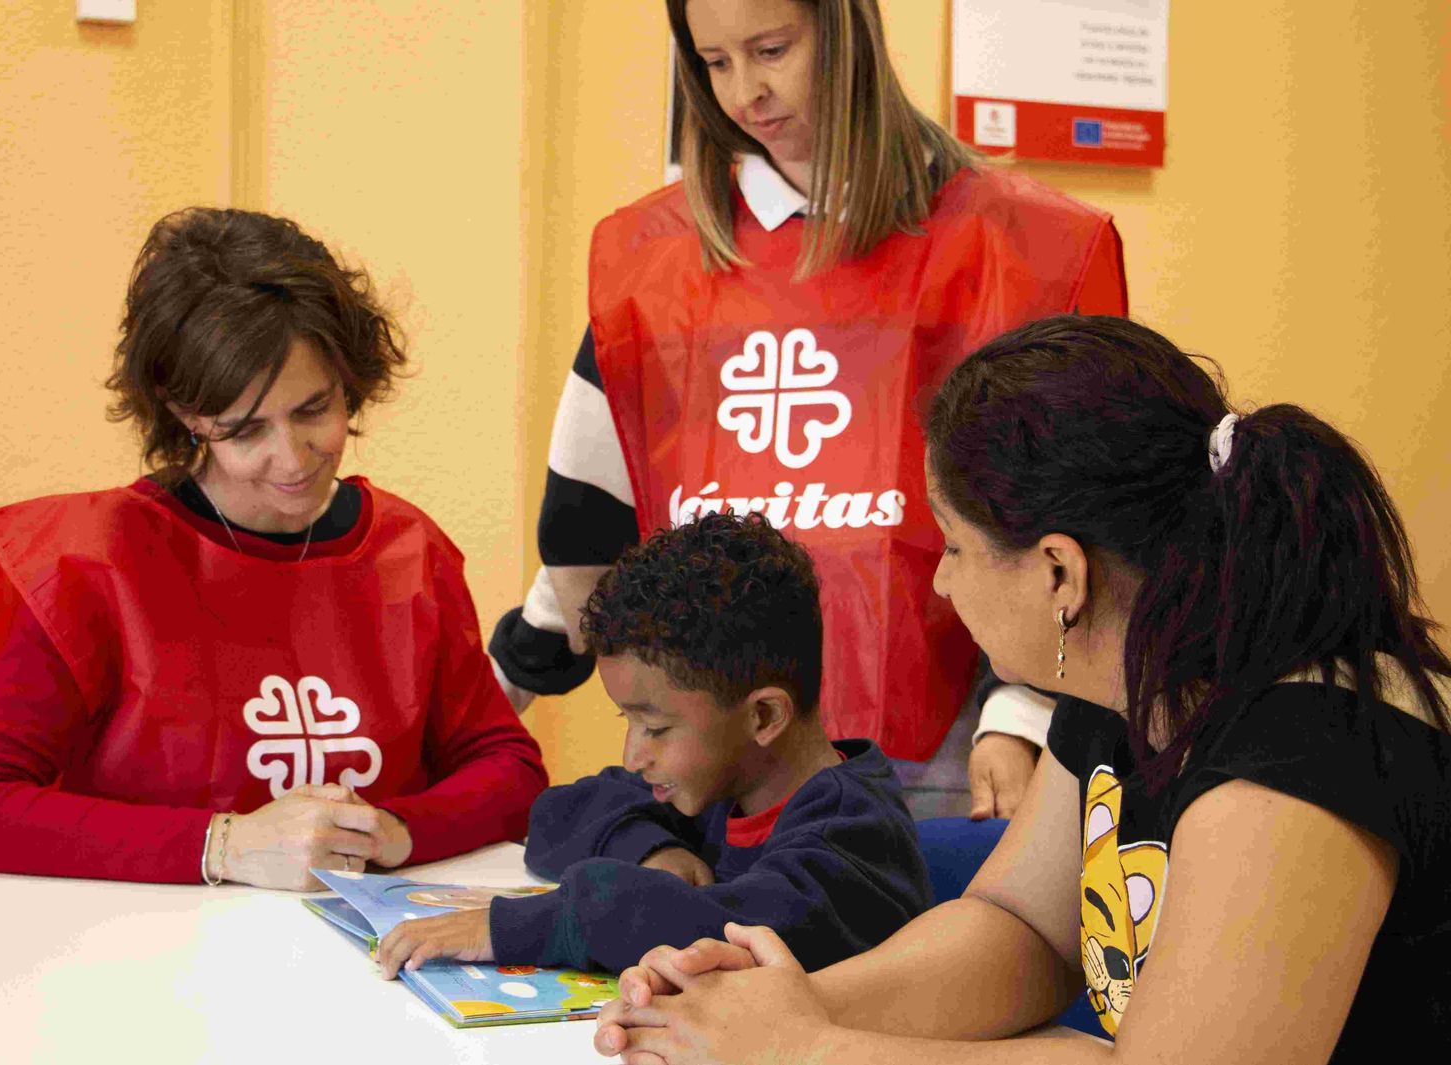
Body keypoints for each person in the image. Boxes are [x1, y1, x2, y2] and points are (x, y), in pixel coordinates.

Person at [592, 315, 1451, 1063]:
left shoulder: (1303, 748)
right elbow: (1023, 930)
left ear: (1058, 572)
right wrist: (788, 1000)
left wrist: (808, 1047)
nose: (942, 583)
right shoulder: (1126, 681)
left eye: (956, 546)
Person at [489, 0, 1129, 821]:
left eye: (771, 48)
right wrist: (510, 678)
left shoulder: (1023, 249)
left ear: (847, 30)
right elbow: (592, 523)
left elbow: (1085, 528)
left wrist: (1025, 714)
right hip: (719, 752)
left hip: (949, 754)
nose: (746, 91)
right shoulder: (649, 261)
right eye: (715, 64)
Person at [0, 208, 548, 889]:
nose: (293, 459)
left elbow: (509, 769)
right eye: (246, 429)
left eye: (315, 409)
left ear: (349, 378)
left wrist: (396, 831)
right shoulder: (92, 566)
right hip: (141, 963)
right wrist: (226, 844)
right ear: (188, 414)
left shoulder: (409, 554)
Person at [373, 512, 931, 979]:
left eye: (655, 728)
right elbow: (558, 812)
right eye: (629, 721)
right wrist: (649, 850)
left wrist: (517, 926)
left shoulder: (854, 837)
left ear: (763, 715)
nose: (633, 756)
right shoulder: (723, 784)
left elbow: (722, 927)